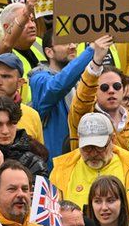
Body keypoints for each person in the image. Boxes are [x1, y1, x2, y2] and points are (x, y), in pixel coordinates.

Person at [51, 113, 129, 226]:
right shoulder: (61, 171)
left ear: (113, 139)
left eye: (99, 147)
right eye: (87, 148)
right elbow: (49, 220)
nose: (93, 153)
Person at [29, 32, 94, 160]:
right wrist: (91, 50)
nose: (72, 46)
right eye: (65, 43)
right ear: (49, 52)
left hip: (82, 159)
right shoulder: (39, 79)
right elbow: (57, 86)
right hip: (54, 165)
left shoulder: (80, 81)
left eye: (74, 42)